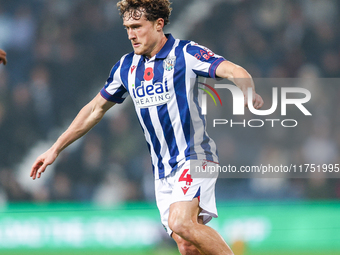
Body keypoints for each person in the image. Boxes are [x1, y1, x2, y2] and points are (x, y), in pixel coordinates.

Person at [30, 0, 264, 254]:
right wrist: (56, 148)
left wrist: (247, 91)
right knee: (186, 245)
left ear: (158, 24)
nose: (131, 34)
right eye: (127, 27)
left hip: (194, 157)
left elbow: (233, 70)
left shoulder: (185, 53)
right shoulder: (126, 68)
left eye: (137, 26)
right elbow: (94, 109)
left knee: (181, 222)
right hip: (162, 172)